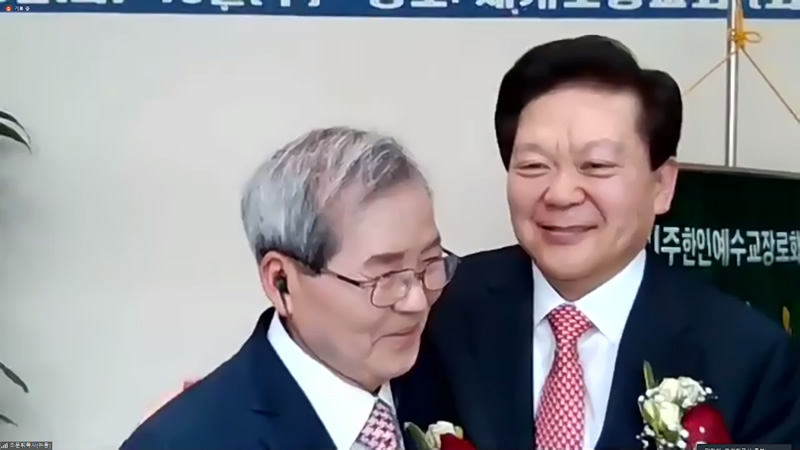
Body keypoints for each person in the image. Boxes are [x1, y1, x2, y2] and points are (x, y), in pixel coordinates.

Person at [398, 35, 800, 449]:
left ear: (662, 186)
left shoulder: (749, 358)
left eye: (596, 165)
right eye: (534, 165)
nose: (561, 194)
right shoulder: (437, 309)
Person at [121, 126, 460, 449]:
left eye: (429, 262)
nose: (417, 301)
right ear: (281, 282)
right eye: (384, 277)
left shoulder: (451, 380)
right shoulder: (186, 441)